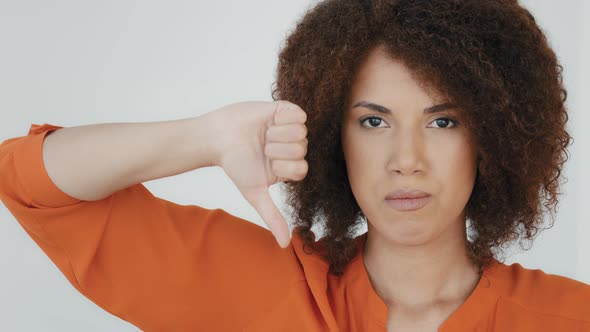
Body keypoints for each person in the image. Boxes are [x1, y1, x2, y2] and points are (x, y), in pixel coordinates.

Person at [1, 0, 589, 331]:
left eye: (442, 122)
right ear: (333, 135)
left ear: (494, 136)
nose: (406, 162)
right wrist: (204, 136)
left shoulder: (569, 318)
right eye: (373, 121)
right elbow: (29, 180)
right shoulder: (258, 289)